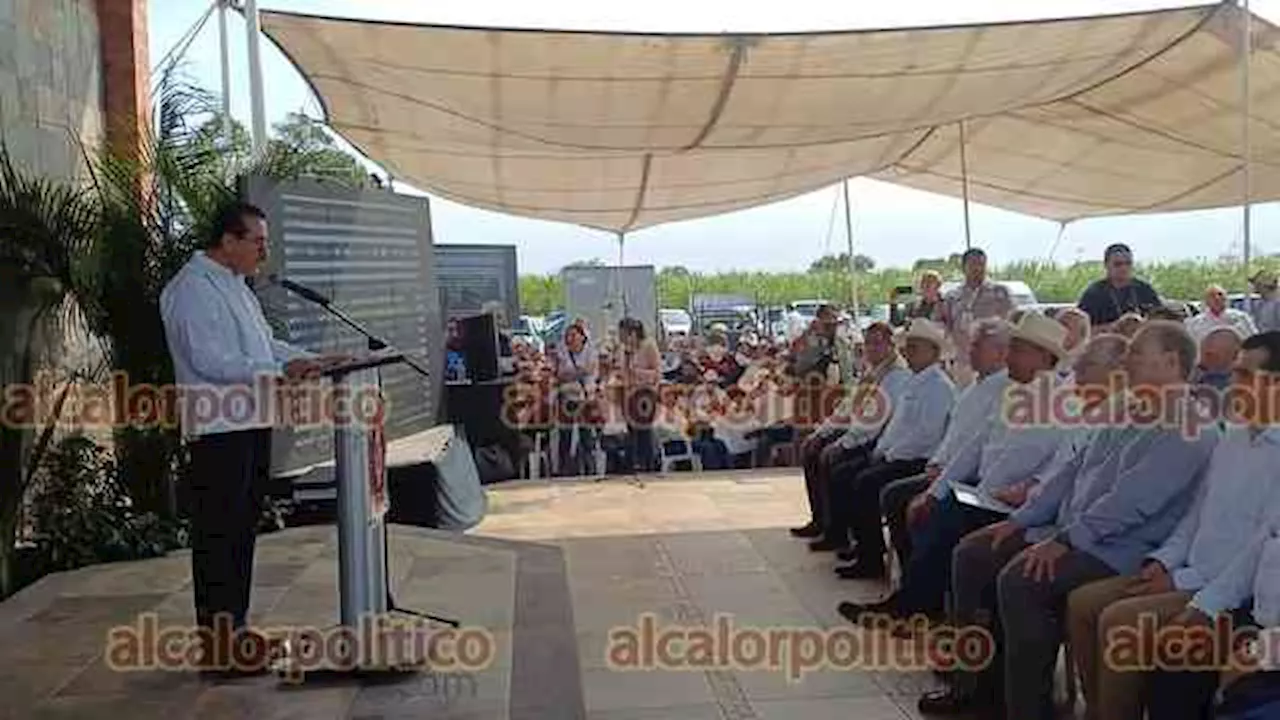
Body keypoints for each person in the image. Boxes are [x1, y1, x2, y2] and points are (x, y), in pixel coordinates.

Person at [920, 321, 1218, 718]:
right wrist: (1021, 521)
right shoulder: (1128, 409)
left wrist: (1066, 539)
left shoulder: (1188, 425)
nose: (1126, 361)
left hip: (1122, 549)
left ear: (1170, 362)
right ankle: (975, 686)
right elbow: (1071, 471)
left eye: (1136, 354)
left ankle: (1029, 707)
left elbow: (1132, 503)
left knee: (1021, 580)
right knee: (973, 552)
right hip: (1076, 531)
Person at [160, 201, 344, 672]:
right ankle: (218, 646)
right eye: (257, 242)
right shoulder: (190, 290)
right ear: (228, 241)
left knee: (241, 533)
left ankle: (236, 631)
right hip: (219, 430)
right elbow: (210, 361)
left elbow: (264, 346)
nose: (264, 251)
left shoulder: (237, 287)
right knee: (219, 536)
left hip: (250, 423)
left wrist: (307, 358)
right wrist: (278, 370)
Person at [1066, 331, 1280, 720]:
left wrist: (1184, 583)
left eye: (1246, 376)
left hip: (1228, 590)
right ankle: (1098, 709)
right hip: (1190, 572)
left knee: (1120, 622)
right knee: (1083, 604)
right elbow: (1196, 515)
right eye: (1235, 374)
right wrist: (1165, 562)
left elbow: (1256, 554)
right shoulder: (1232, 439)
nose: (1233, 386)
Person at [844, 313, 1067, 624]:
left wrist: (1032, 487)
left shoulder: (1064, 405)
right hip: (987, 494)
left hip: (1022, 508)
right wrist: (935, 492)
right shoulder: (1014, 395)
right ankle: (919, 605)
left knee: (945, 520)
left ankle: (922, 610)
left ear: (1042, 357)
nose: (1009, 357)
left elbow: (1064, 466)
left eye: (1017, 350)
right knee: (933, 507)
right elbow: (972, 449)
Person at [877, 318, 1012, 582]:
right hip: (948, 468)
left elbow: (976, 448)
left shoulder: (1005, 390)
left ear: (1000, 352)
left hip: (974, 478)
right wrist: (937, 465)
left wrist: (940, 475)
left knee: (911, 500)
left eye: (977, 346)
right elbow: (953, 437)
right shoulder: (974, 387)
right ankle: (913, 582)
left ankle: (921, 589)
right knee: (895, 495)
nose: (970, 351)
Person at [823, 319, 955, 580]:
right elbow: (895, 426)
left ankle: (872, 557)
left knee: (866, 482)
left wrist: (887, 454)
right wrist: (881, 450)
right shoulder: (917, 381)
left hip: (917, 459)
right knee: (847, 473)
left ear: (933, 352)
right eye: (908, 347)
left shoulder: (939, 387)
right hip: (896, 454)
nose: (907, 352)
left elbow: (924, 436)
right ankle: (865, 548)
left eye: (914, 347)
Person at [791, 322, 909, 540]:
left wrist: (843, 443)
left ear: (891, 346)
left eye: (878, 343)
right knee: (811, 447)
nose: (871, 349)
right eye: (868, 344)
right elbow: (846, 408)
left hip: (875, 437)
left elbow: (875, 422)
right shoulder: (870, 373)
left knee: (834, 461)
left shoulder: (896, 376)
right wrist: (821, 432)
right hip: (857, 430)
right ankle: (822, 521)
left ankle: (839, 531)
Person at [940, 248, 1013, 387]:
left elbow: (1010, 325)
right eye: (973, 264)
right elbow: (946, 326)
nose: (978, 268)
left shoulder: (1000, 292)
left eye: (982, 264)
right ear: (963, 267)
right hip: (962, 362)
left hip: (993, 362)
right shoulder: (953, 296)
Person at [1077, 243, 1162, 329]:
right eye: (1118, 264)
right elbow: (1083, 329)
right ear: (1106, 265)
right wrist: (1117, 326)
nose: (1124, 268)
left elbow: (1160, 320)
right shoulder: (1093, 293)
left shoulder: (1144, 289)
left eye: (1128, 263)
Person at [555, 321, 600, 475]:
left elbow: (590, 369)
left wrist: (572, 374)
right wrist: (578, 372)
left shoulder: (590, 351)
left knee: (586, 433)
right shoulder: (562, 352)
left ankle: (588, 467)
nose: (570, 339)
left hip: (586, 397)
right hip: (567, 397)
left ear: (582, 337)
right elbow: (560, 375)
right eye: (567, 336)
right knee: (565, 433)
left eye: (573, 335)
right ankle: (564, 468)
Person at [618, 317, 662, 474]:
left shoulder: (649, 346)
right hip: (629, 393)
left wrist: (636, 372)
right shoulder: (624, 350)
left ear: (633, 333)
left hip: (646, 393)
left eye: (623, 333)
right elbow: (622, 371)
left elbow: (657, 373)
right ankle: (632, 465)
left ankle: (648, 465)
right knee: (632, 431)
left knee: (644, 430)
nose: (620, 337)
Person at [1186, 285, 1257, 341]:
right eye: (1212, 295)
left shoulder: (1241, 317)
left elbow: (1253, 339)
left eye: (1220, 294)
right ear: (1207, 301)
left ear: (1226, 298)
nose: (1217, 298)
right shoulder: (1196, 323)